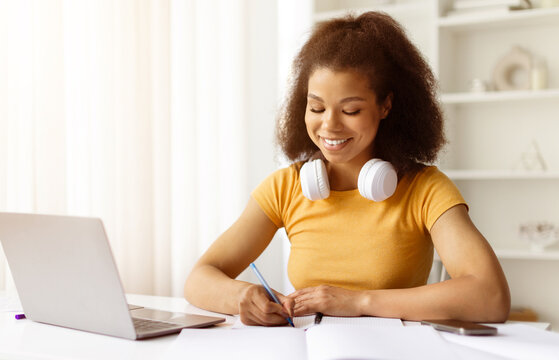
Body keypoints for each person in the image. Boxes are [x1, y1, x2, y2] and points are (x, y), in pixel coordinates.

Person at [184, 11, 510, 326]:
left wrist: (358, 301)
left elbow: (491, 296)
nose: (329, 125)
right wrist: (241, 295)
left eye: (350, 110)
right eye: (317, 107)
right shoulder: (285, 187)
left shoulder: (425, 189)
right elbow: (199, 279)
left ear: (385, 105)